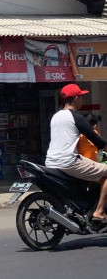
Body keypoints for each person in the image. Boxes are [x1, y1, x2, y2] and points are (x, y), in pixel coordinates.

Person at [45, 83, 107, 221]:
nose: (82, 100)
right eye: (81, 97)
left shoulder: (56, 116)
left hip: (51, 161)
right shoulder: (76, 118)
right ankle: (99, 212)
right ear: (76, 98)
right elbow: (98, 141)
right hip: (69, 162)